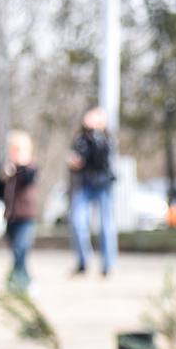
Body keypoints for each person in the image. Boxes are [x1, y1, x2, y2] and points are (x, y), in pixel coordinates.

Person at [68, 106, 117, 276]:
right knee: (77, 222)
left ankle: (108, 265)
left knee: (106, 227)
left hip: (103, 185)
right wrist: (74, 163)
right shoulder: (80, 139)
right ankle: (83, 261)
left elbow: (102, 158)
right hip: (84, 184)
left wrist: (96, 135)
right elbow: (76, 159)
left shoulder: (107, 138)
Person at [0, 130, 39, 289]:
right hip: (11, 216)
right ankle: (19, 277)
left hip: (26, 216)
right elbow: (0, 190)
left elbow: (28, 179)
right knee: (15, 249)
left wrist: (20, 167)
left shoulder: (30, 168)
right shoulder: (8, 170)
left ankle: (22, 280)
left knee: (21, 248)